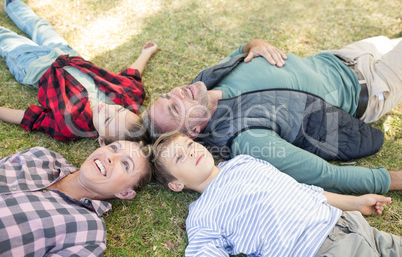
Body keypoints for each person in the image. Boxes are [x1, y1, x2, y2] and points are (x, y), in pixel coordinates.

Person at [144, 36, 402, 194]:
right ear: (193, 132)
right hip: (373, 84)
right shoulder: (248, 138)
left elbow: (241, 51)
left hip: (342, 55)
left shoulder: (205, 81)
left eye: (168, 95)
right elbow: (326, 176)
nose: (177, 92)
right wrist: (391, 179)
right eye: (175, 108)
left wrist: (254, 44)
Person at [151, 132, 401, 257]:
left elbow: (301, 190)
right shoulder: (201, 215)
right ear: (176, 184)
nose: (192, 152)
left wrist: (355, 203)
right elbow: (203, 251)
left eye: (190, 145)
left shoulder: (244, 162)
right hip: (317, 249)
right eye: (180, 157)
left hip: (348, 223)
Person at [0, 0, 158, 144]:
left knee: (6, 38)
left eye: (107, 120)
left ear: (101, 140)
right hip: (67, 54)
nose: (108, 109)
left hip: (35, 68)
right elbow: (132, 75)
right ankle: (15, 5)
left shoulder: (71, 126)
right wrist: (146, 53)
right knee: (40, 26)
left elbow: (30, 117)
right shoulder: (128, 97)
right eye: (119, 110)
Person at [0, 140, 152, 256]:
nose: (111, 157)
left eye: (125, 164)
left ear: (125, 193)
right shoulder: (42, 156)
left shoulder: (89, 233)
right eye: (113, 148)